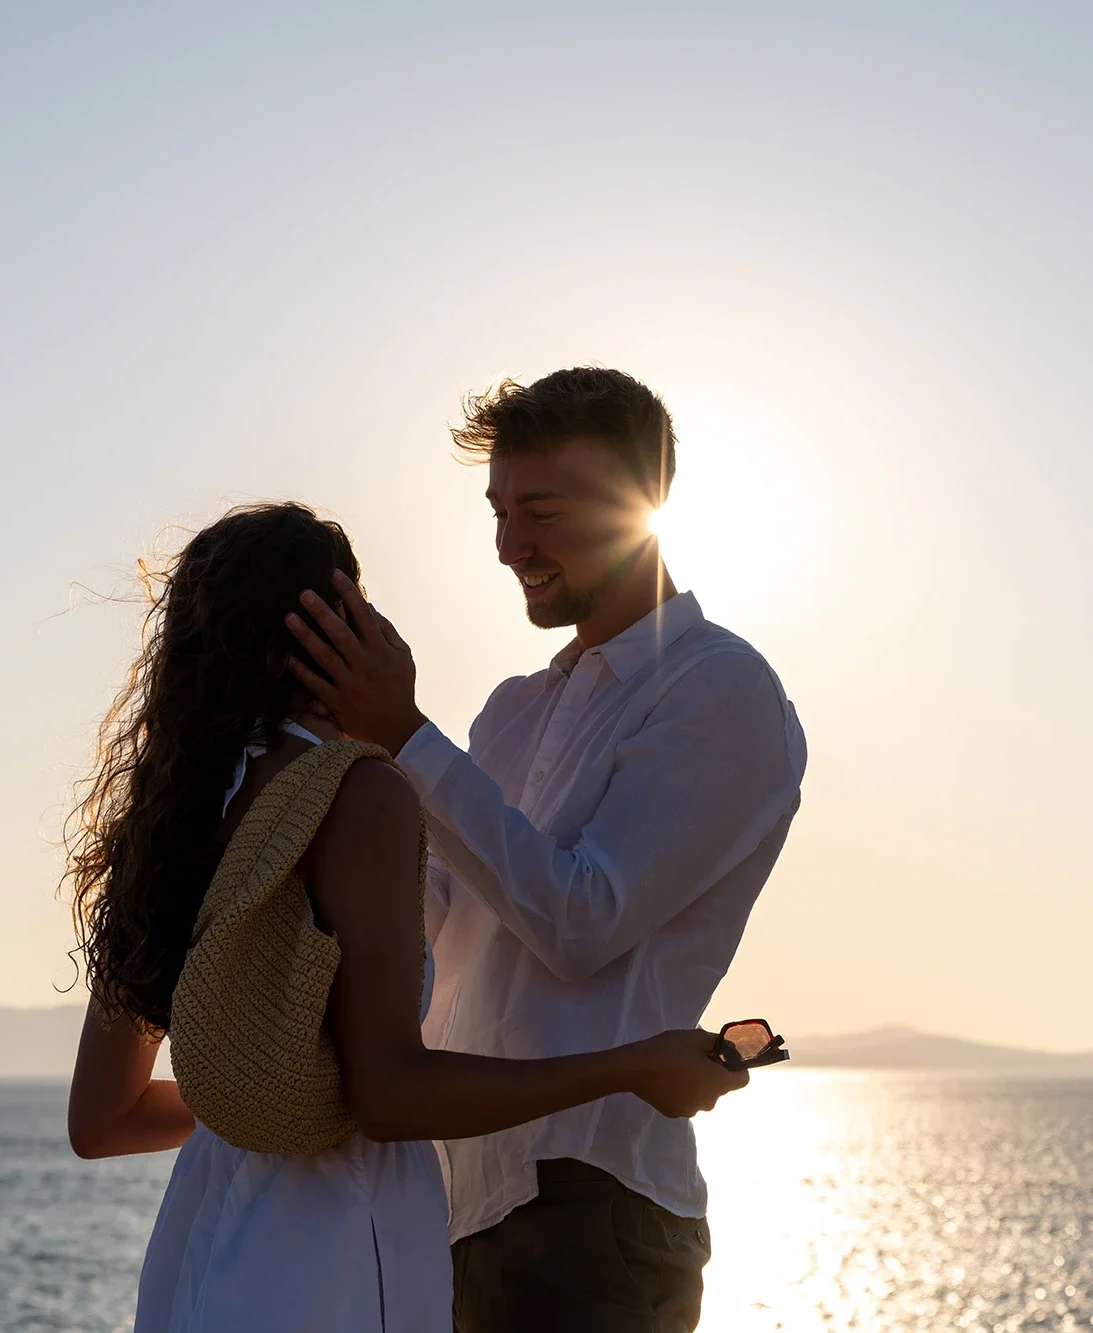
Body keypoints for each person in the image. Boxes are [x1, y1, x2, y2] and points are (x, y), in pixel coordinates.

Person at [62, 501, 747, 1333]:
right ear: (339, 624)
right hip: (334, 1243)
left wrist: (271, 1078)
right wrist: (631, 1065)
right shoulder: (354, 793)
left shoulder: (172, 814)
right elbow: (386, 1094)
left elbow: (101, 1119)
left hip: (200, 1240)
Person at [287, 367, 808, 1333]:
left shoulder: (720, 688)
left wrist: (404, 738)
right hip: (449, 1201)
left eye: (540, 509)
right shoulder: (512, 710)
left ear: (640, 502)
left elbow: (581, 922)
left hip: (590, 1204)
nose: (508, 545)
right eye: (498, 510)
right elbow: (432, 925)